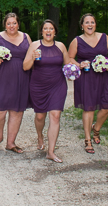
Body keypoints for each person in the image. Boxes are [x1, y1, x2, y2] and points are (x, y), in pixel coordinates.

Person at [67, 13, 108, 154]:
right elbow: (69, 57)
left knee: (107, 107)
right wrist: (79, 64)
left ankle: (96, 128)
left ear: (95, 24)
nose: (90, 25)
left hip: (104, 77)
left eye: (92, 22)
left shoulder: (104, 37)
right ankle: (88, 139)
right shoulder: (77, 41)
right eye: (87, 22)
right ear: (82, 26)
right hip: (87, 78)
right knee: (88, 108)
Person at [23, 19, 72, 163]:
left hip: (58, 85)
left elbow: (68, 64)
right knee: (40, 117)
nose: (48, 31)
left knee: (55, 116)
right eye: (45, 29)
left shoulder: (61, 46)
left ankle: (51, 151)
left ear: (55, 32)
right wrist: (32, 57)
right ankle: (40, 136)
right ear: (42, 32)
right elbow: (25, 67)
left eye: (51, 29)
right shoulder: (34, 45)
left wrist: (73, 71)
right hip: (38, 86)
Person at [0, 13, 30, 154]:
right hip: (0, 78)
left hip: (21, 78)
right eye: (9, 23)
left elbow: (32, 55)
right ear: (5, 25)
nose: (11, 26)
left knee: (16, 111)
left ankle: (11, 143)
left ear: (18, 24)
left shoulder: (26, 37)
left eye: (14, 23)